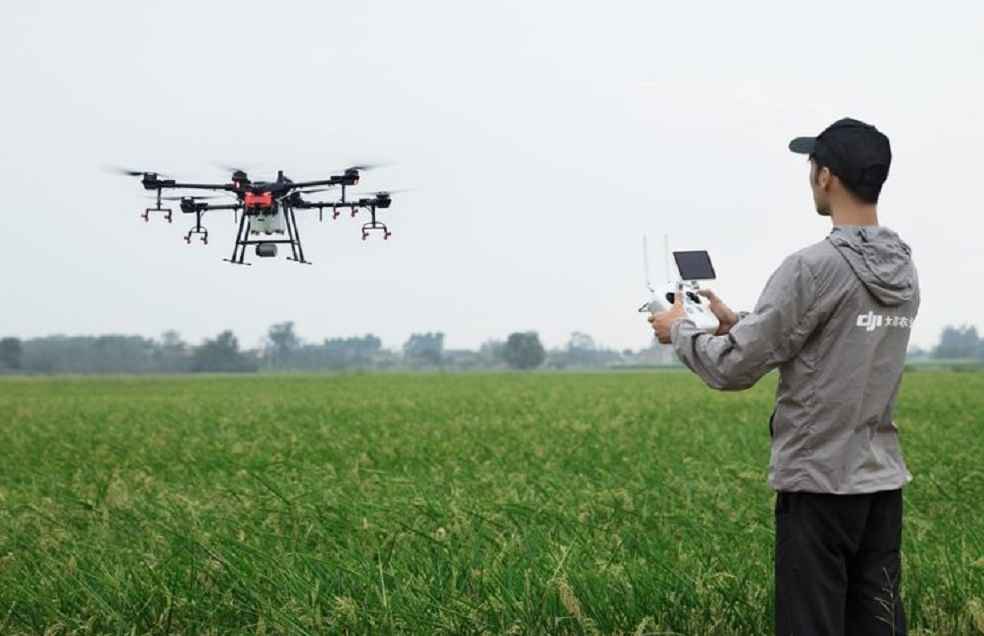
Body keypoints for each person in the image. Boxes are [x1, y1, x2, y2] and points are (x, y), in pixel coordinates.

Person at [648, 118, 918, 636]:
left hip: (818, 487)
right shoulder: (904, 268)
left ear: (826, 178)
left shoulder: (811, 268)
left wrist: (680, 330)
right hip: (880, 484)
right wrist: (738, 322)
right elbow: (833, 341)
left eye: (812, 165)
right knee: (877, 626)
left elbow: (733, 367)